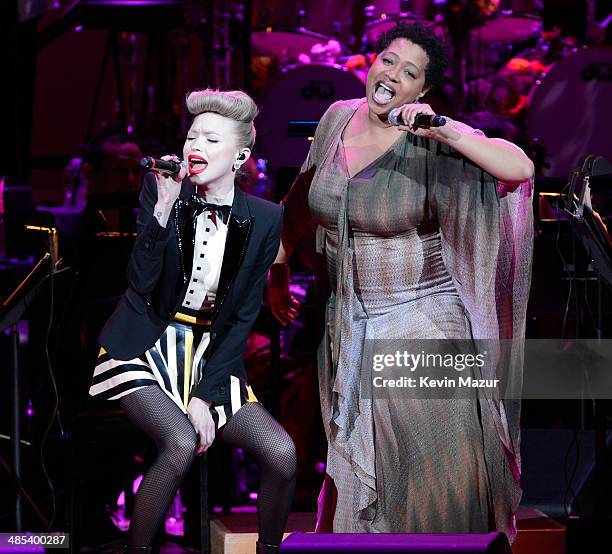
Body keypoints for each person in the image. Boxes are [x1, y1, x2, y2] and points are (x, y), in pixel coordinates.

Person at [269, 23, 534, 541]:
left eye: (408, 72)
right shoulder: (336, 119)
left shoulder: (430, 135)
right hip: (349, 325)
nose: (391, 75)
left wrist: (447, 131)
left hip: (424, 321)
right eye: (388, 61)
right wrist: (278, 266)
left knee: (429, 482)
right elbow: (302, 199)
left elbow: (518, 168)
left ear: (422, 90)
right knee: (362, 479)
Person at [89, 89, 297, 554]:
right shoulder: (164, 192)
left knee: (282, 453)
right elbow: (139, 283)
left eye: (211, 139)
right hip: (145, 343)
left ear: (241, 155)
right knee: (180, 442)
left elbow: (244, 316)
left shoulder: (266, 217)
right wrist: (162, 208)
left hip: (211, 356)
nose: (195, 147)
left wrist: (205, 394)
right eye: (191, 137)